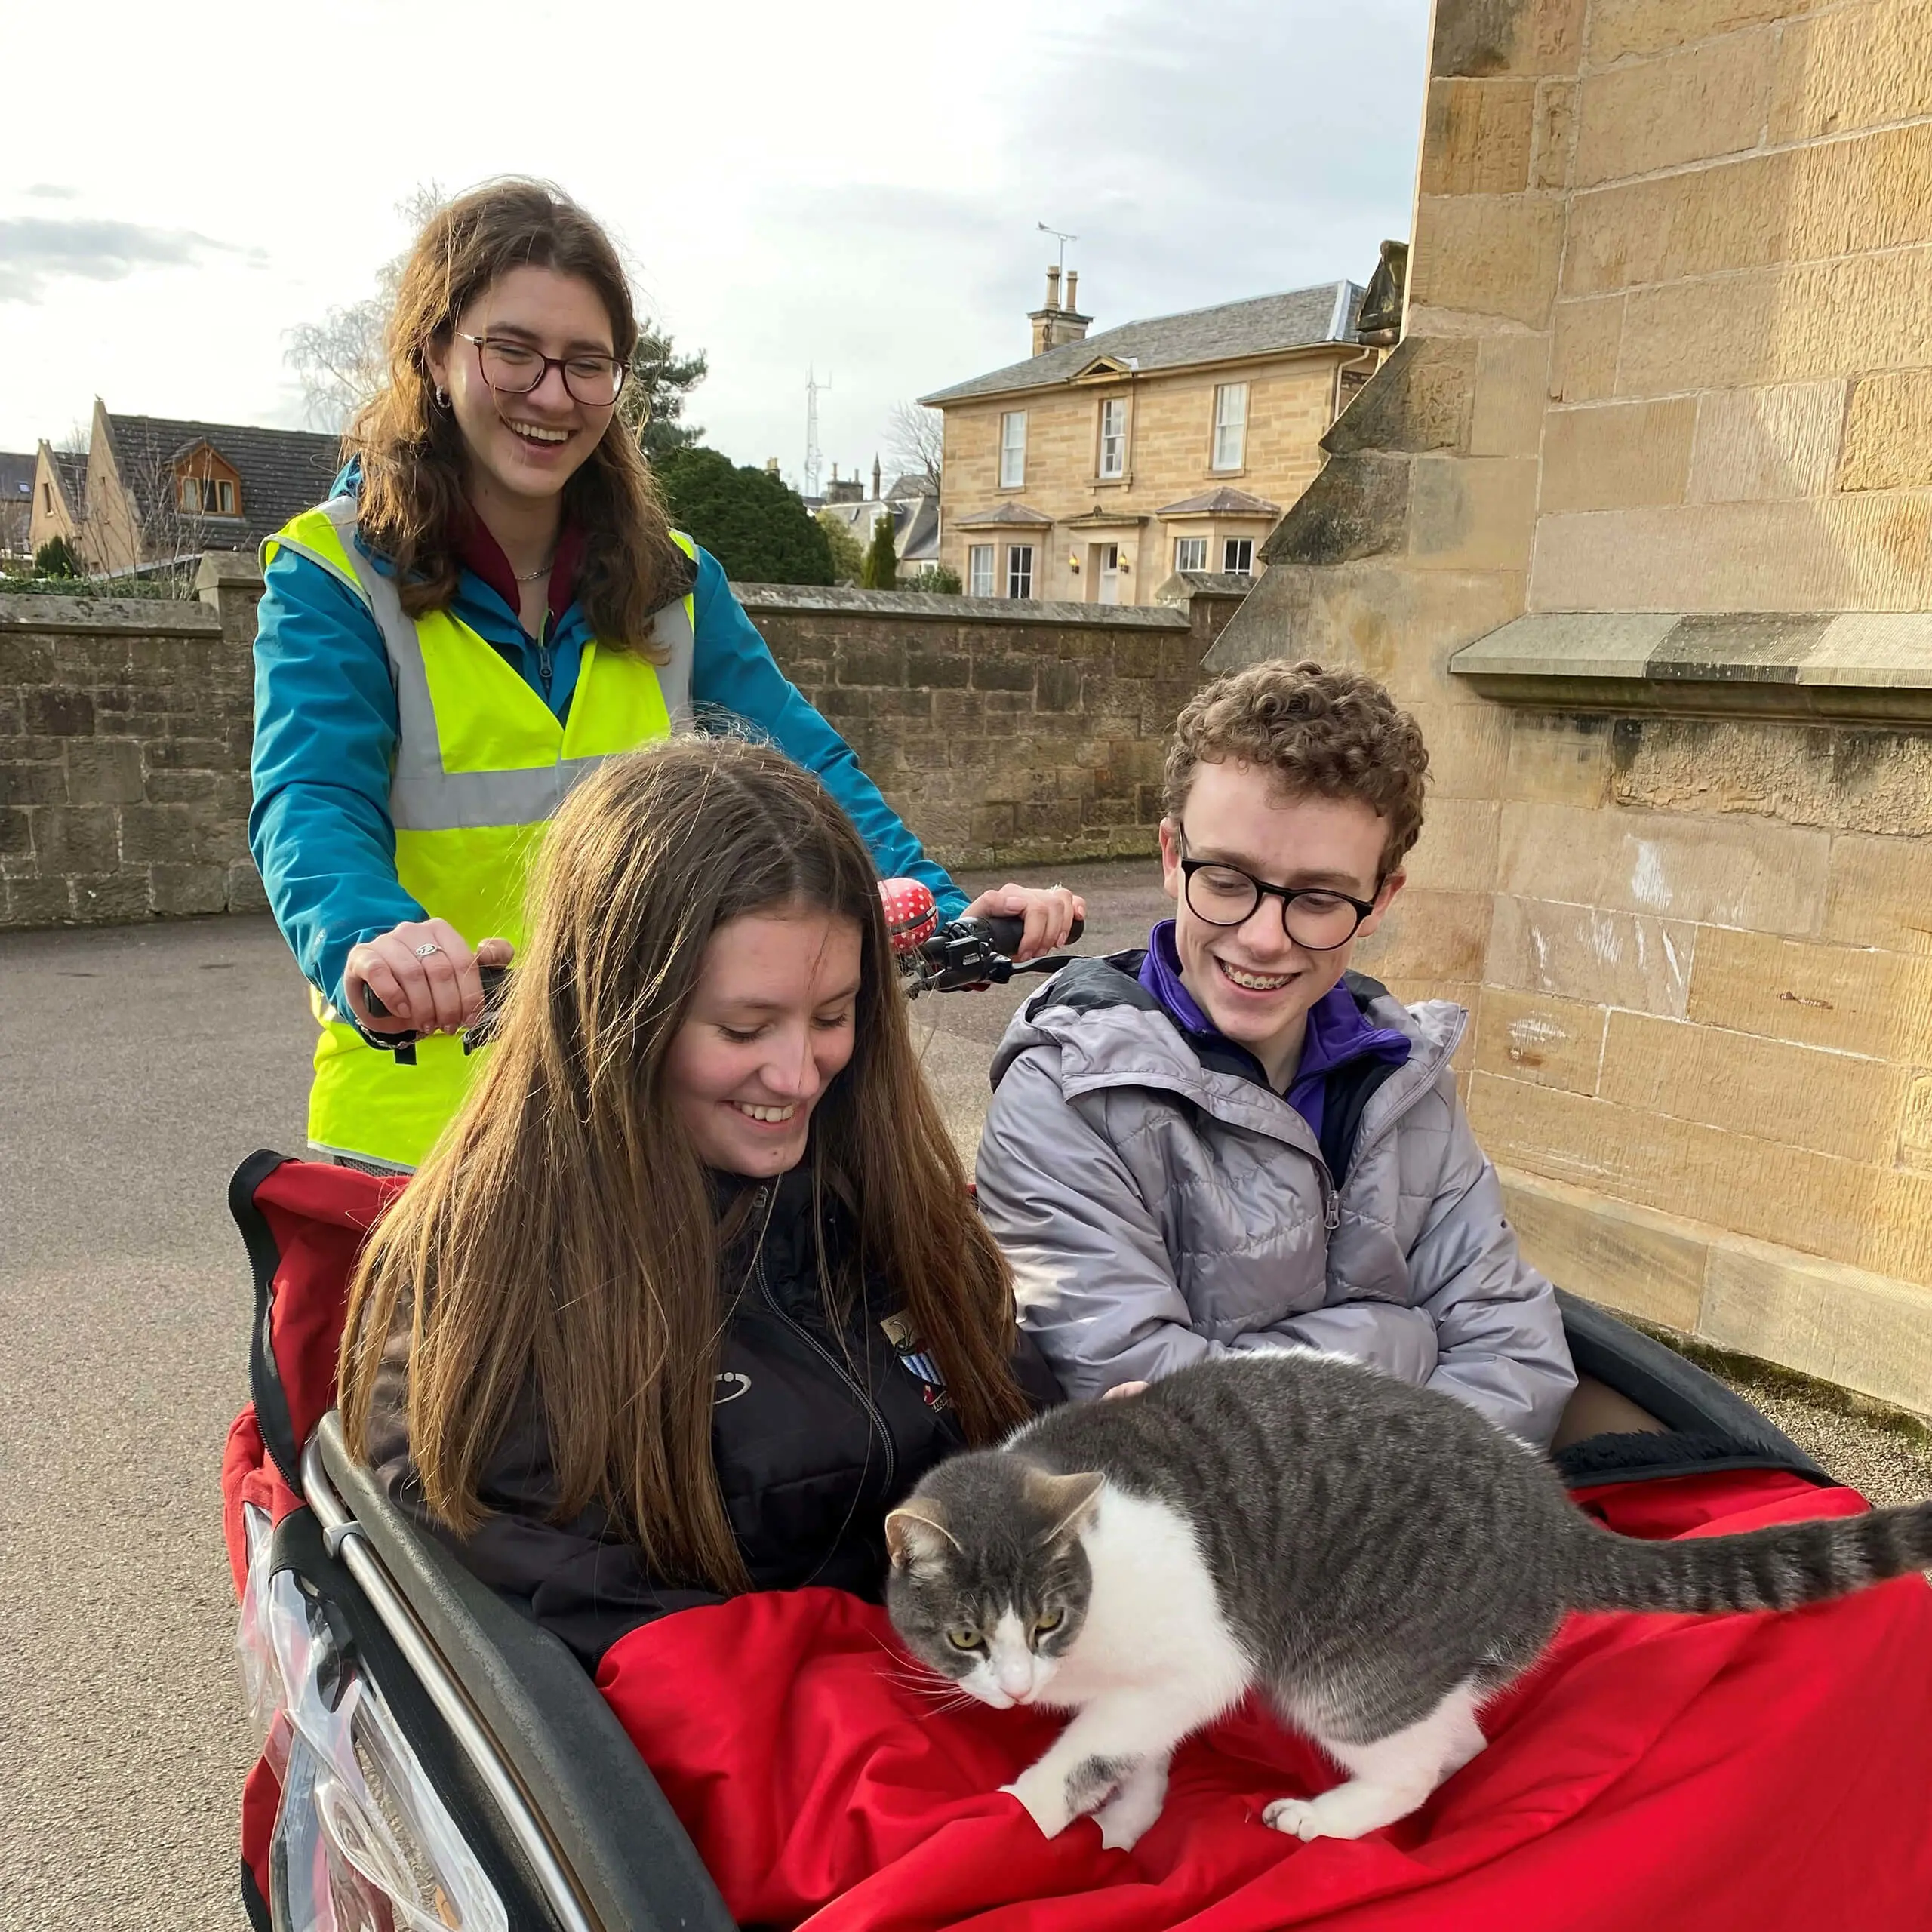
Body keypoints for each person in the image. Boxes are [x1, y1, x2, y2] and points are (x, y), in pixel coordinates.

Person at [250, 177, 1078, 1173]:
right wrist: (371, 940)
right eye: (512, 350)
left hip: (632, 1126)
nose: (552, 395)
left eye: (588, 364)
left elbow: (800, 770)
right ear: (435, 351)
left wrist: (939, 907)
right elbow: (311, 801)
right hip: (426, 1134)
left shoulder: (670, 581)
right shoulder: (335, 571)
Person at [335, 736, 1057, 1670]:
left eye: (834, 1015)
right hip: (751, 1754)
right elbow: (584, 1629)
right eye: (744, 1027)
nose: (800, 1075)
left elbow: (1003, 1413)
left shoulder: (880, 1184)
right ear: (612, 1010)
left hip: (958, 1694)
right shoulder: (487, 1280)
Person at [974, 659, 1577, 1449]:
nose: (1262, 937)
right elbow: (1165, 1426)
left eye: (1320, 899)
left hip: (1403, 1544)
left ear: (1381, 899)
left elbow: (1521, 1354)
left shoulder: (1404, 1077)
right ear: (1169, 855)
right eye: (1225, 880)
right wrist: (1400, 1338)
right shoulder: (1065, 1095)